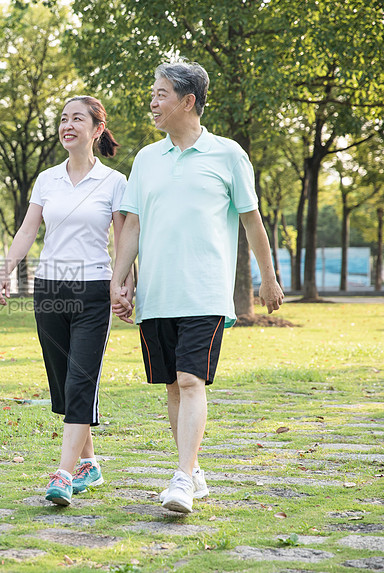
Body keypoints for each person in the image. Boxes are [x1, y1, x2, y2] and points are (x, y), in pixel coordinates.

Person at [110, 60, 284, 514]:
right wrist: (120, 282)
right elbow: (131, 226)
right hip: (156, 295)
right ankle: (194, 469)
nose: (152, 101)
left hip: (205, 292)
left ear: (188, 101)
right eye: (153, 93)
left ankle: (183, 479)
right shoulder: (147, 159)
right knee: (171, 384)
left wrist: (268, 277)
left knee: (190, 379)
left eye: (161, 93)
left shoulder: (229, 154)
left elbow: (252, 220)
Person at [0, 95, 132, 506]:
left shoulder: (114, 182)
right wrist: (5, 270)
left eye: (77, 119)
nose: (67, 125)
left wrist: (124, 286)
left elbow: (124, 239)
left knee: (81, 380)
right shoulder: (46, 179)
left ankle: (64, 473)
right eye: (63, 119)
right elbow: (27, 230)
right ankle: (90, 463)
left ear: (97, 129)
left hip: (94, 288)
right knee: (62, 383)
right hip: (50, 289)